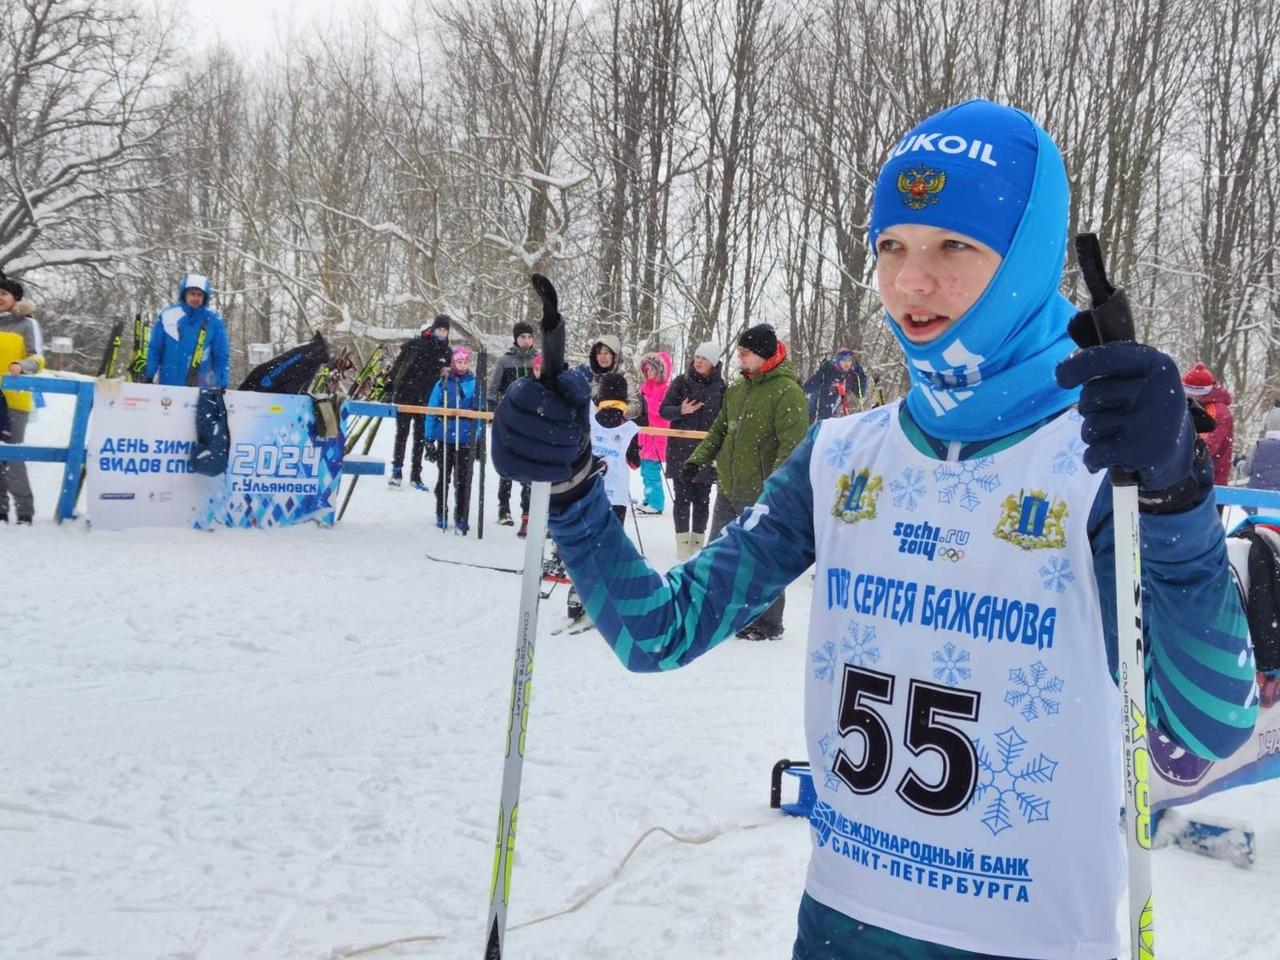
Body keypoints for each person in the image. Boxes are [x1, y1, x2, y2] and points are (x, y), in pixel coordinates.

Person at [491, 99, 1256, 959]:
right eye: (891, 245)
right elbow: (656, 633)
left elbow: (1196, 741)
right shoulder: (842, 457)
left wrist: (1177, 501)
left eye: (953, 247)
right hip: (837, 930)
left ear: (1029, 259)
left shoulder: (1100, 461)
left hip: (1027, 942)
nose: (910, 281)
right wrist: (576, 487)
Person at [679, 323, 809, 640]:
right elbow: (720, 431)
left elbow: (791, 447)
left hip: (764, 494)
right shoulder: (737, 390)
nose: (739, 357)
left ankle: (767, 622)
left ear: (764, 355)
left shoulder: (787, 392)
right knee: (717, 552)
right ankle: (712, 608)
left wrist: (775, 491)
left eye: (745, 352)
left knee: (762, 560)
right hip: (729, 487)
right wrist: (698, 458)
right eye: (739, 351)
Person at [659, 340, 726, 559]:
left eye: (704, 358)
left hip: (707, 452)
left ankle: (697, 542)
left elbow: (727, 419)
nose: (698, 361)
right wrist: (681, 410)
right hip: (680, 450)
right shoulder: (681, 382)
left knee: (702, 498)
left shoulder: (722, 387)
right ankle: (682, 545)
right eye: (697, 357)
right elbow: (664, 411)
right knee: (682, 498)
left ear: (713, 363)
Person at [386, 314, 452, 489]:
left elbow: (449, 377)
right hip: (407, 395)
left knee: (420, 437)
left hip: (428, 400)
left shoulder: (447, 352)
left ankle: (416, 475)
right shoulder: (417, 344)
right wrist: (390, 383)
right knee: (402, 434)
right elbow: (399, 366)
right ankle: (397, 470)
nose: (442, 333)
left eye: (445, 330)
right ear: (433, 328)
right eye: (439, 329)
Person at [0, 276, 44, 523]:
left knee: (12, 458)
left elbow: (38, 359)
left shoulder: (26, 324)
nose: (0, 297)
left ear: (15, 298)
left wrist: (21, 365)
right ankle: (1, 511)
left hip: (14, 401)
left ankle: (25, 511)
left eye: (4, 293)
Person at [425, 345, 479, 533]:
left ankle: (461, 514)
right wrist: (428, 437)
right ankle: (441, 510)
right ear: (453, 362)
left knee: (464, 478)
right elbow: (432, 409)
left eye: (465, 362)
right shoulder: (443, 382)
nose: (462, 365)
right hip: (446, 435)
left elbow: (479, 412)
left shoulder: (474, 383)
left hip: (465, 436)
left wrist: (478, 437)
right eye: (459, 361)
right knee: (444, 475)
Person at [488, 321, 537, 526]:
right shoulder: (505, 361)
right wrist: (493, 411)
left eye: (529, 337)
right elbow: (493, 388)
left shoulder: (538, 360)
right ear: (516, 339)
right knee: (507, 464)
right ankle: (503, 508)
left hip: (532, 421)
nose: (526, 341)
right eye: (522, 337)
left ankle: (527, 509)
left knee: (529, 465)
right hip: (509, 419)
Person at [144, 273, 230, 389]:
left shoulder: (214, 321)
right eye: (192, 294)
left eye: (200, 295)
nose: (195, 298)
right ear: (184, 294)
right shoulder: (168, 315)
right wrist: (149, 374)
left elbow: (220, 355)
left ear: (205, 297)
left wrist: (222, 382)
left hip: (201, 385)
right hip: (168, 384)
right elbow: (155, 348)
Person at [592, 372, 640, 523]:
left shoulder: (589, 421)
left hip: (590, 492)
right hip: (616, 495)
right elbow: (634, 463)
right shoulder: (629, 427)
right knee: (613, 537)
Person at [1182, 361, 1234, 485]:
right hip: (1195, 477)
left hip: (1208, 479)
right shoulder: (1192, 406)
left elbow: (1206, 447)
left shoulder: (1216, 412)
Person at [635, 350, 672, 514]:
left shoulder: (666, 389)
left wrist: (645, 402)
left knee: (651, 472)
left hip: (657, 437)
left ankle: (656, 503)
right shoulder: (644, 387)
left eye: (652, 368)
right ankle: (649, 498)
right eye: (646, 369)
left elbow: (663, 411)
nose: (648, 372)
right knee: (645, 471)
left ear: (660, 370)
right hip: (644, 437)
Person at [804, 348, 869, 421]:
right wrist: (821, 372)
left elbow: (860, 394)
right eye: (844, 360)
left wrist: (862, 377)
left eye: (849, 360)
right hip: (816, 416)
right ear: (838, 361)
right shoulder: (829, 371)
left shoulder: (849, 376)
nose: (847, 363)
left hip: (833, 419)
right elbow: (807, 388)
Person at [585, 335, 641, 418]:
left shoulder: (624, 377)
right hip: (591, 427)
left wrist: (619, 410)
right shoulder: (588, 376)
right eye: (599, 353)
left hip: (616, 427)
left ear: (614, 356)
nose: (602, 357)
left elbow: (635, 407)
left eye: (606, 353)